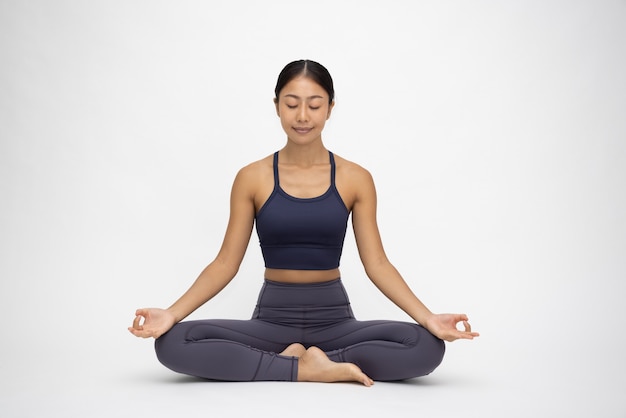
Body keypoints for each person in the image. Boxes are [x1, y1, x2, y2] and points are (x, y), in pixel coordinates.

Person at [128, 59, 479, 386]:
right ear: (277, 105)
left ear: (330, 108)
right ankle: (307, 368)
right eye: (291, 103)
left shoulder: (356, 178)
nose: (302, 116)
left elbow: (377, 264)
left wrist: (429, 317)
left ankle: (300, 363)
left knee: (426, 346)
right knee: (173, 342)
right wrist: (171, 314)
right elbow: (224, 264)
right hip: (271, 319)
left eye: (314, 105)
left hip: (335, 320)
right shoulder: (252, 177)